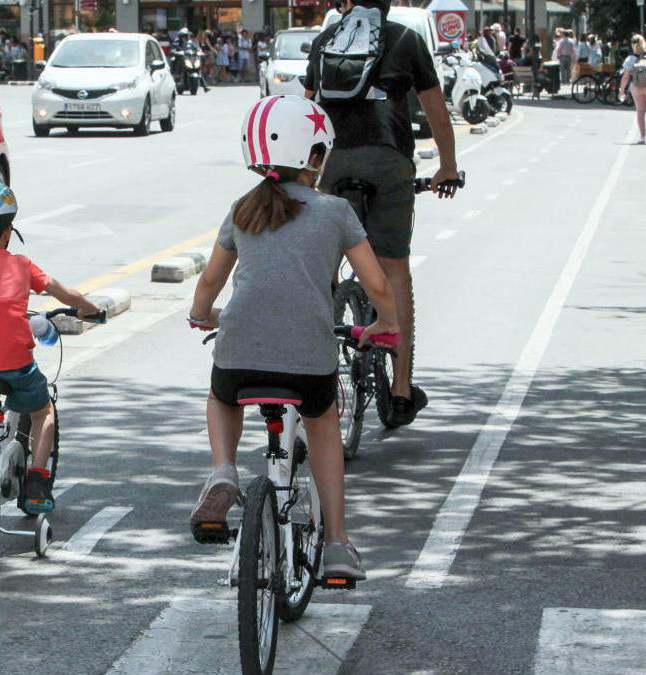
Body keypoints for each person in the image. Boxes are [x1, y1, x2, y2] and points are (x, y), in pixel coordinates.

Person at [188, 95, 400, 581]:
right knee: (322, 422)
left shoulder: (242, 209)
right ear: (315, 157)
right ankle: (337, 544)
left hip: (239, 350)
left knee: (222, 398)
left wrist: (204, 316)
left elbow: (208, 284)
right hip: (309, 358)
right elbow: (378, 285)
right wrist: (385, 325)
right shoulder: (336, 211)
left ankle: (223, 471)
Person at [305, 0, 459, 426]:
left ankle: (317, 350)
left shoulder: (323, 42)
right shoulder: (406, 39)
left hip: (332, 164)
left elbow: (305, 113)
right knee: (394, 271)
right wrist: (446, 166)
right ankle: (402, 388)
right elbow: (437, 114)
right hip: (388, 160)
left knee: (325, 263)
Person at [0, 180, 100, 512]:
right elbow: (64, 293)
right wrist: (92, 310)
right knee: (44, 411)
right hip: (15, 366)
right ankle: (38, 482)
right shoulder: (22, 265)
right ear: (7, 232)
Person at [619, 34, 646, 144]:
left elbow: (626, 76)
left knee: (640, 111)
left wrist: (621, 90)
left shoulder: (630, 58)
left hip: (636, 87)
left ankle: (642, 137)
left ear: (632, 45)